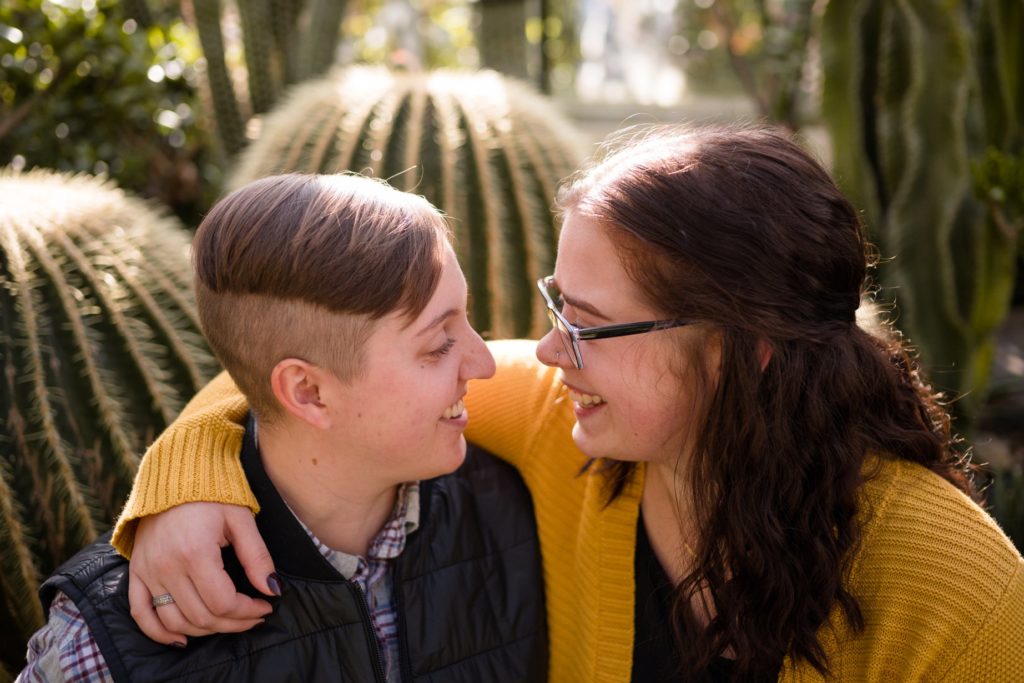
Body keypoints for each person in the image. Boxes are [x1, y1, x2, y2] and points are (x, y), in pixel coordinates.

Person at [105, 125, 1023, 681]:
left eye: (584, 321)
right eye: (556, 305)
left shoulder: (958, 592)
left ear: (746, 349)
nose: (544, 351)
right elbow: (309, 372)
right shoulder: (565, 423)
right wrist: (187, 479)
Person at [17, 173, 548, 682]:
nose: (484, 363)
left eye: (467, 318)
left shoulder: (521, 514)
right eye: (438, 344)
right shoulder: (102, 644)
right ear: (308, 393)